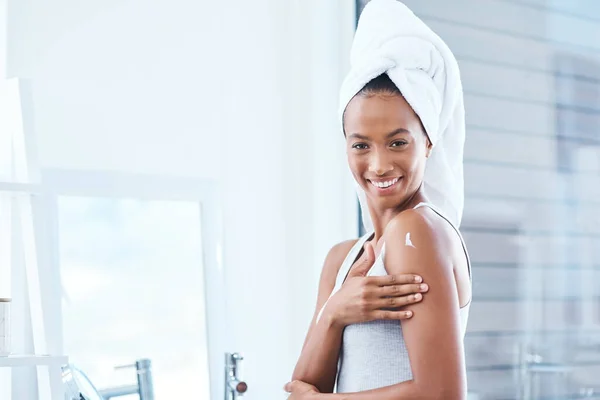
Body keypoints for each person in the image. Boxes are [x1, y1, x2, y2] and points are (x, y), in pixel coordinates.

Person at [285, 0, 472, 398]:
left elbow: (442, 394)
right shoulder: (343, 259)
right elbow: (297, 389)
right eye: (361, 145)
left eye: (398, 142)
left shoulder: (418, 230)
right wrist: (335, 312)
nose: (379, 164)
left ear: (428, 144)